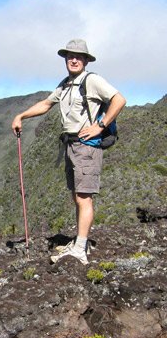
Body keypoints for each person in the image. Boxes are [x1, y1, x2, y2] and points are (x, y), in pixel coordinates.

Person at [11, 39, 126, 264]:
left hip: (86, 147)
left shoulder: (91, 80)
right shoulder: (66, 84)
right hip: (71, 144)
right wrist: (21, 116)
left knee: (84, 197)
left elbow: (119, 100)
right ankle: (79, 242)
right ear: (65, 59)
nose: (73, 59)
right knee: (77, 197)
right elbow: (46, 104)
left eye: (78, 56)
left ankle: (80, 249)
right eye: (70, 56)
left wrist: (100, 126)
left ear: (85, 60)